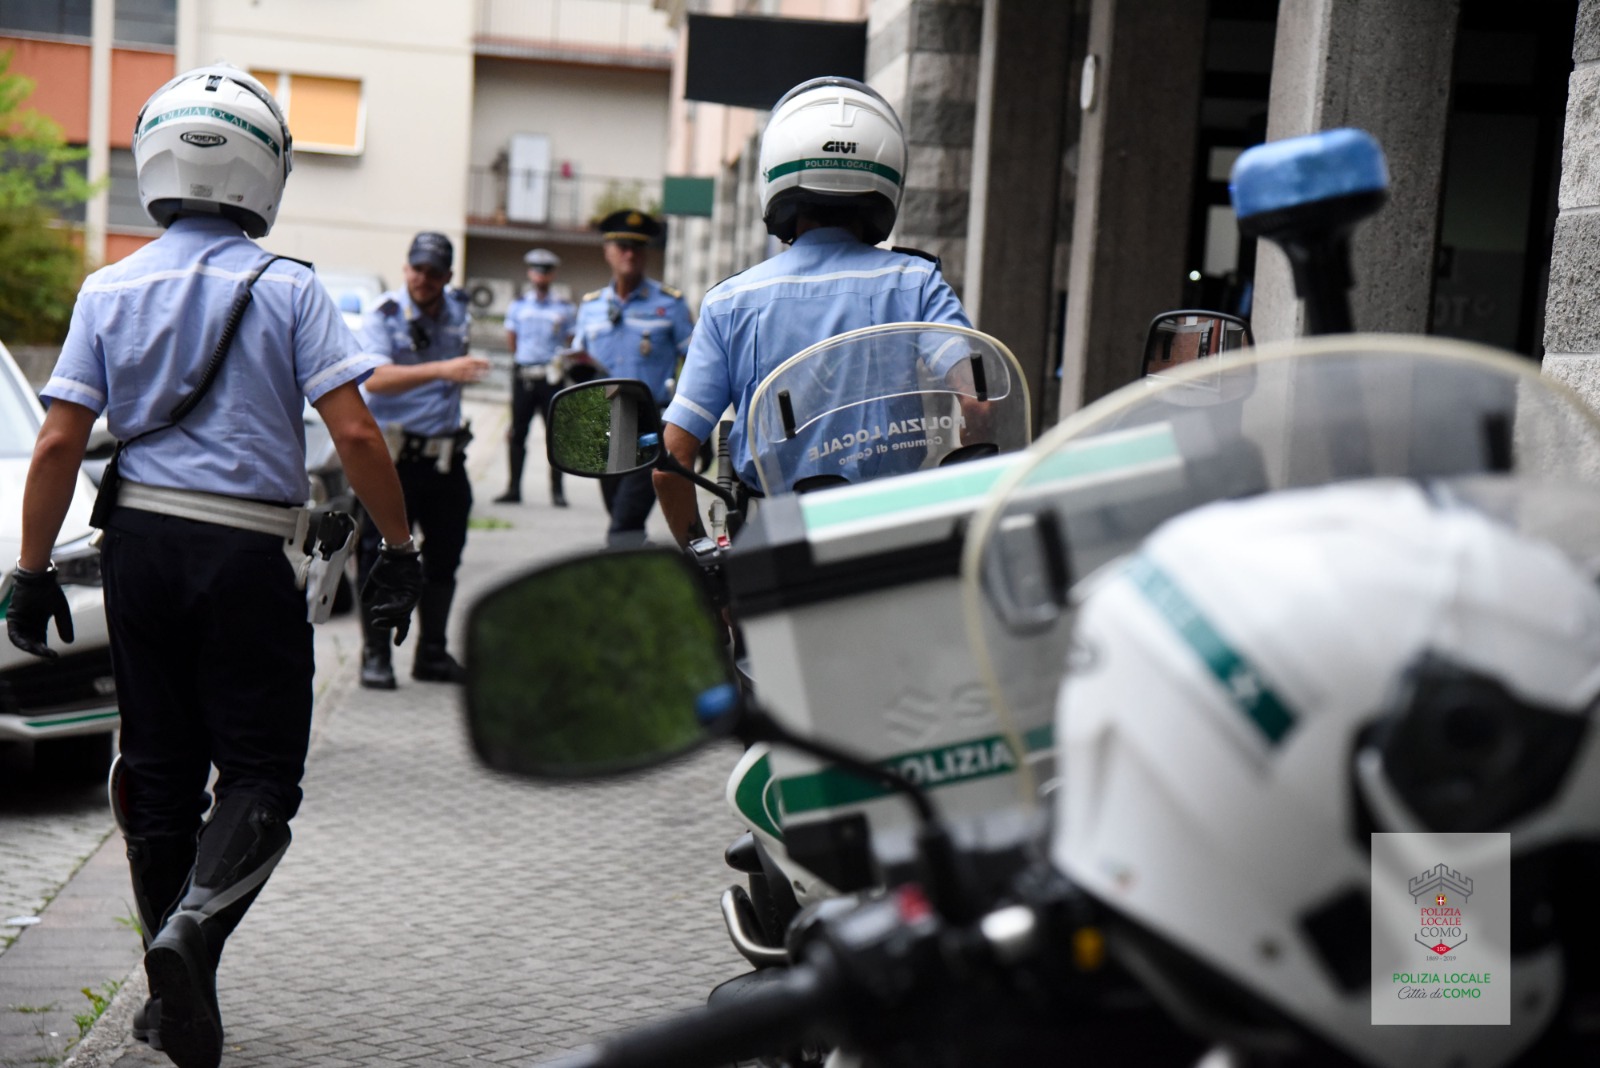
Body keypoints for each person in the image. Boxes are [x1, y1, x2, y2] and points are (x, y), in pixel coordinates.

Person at [4, 64, 421, 1068]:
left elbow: (59, 443)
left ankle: (171, 989)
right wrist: (398, 547)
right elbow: (356, 433)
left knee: (156, 775)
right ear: (264, 170)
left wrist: (29, 571)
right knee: (264, 774)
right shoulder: (290, 288)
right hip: (245, 554)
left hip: (137, 546)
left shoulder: (109, 288)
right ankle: (192, 937)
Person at [657, 76, 970, 548]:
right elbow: (980, 401)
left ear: (776, 173)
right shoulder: (916, 281)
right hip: (893, 544)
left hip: (775, 547)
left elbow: (672, 463)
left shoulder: (730, 303)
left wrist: (707, 566)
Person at [354, 232, 491, 688]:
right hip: (394, 460)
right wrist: (442, 369)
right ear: (406, 268)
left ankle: (431, 654)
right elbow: (373, 379)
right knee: (381, 556)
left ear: (448, 276)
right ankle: (376, 656)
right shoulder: (384, 314)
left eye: (434, 272)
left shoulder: (457, 311)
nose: (424, 279)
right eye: (417, 269)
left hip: (446, 460)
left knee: (445, 558)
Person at [571, 209, 694, 548]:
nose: (630, 254)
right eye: (623, 246)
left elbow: (696, 364)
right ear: (608, 251)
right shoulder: (591, 306)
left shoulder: (669, 304)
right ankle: (641, 563)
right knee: (622, 519)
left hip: (649, 426)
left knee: (623, 522)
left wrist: (696, 427)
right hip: (605, 427)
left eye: (638, 247)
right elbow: (579, 367)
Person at [495, 248, 575, 506]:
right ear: (530, 273)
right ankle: (514, 488)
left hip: (551, 377)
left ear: (552, 275)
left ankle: (557, 492)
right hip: (525, 376)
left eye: (546, 272)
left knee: (557, 436)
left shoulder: (563, 308)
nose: (541, 276)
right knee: (518, 432)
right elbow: (512, 339)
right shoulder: (519, 305)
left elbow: (570, 340)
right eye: (536, 271)